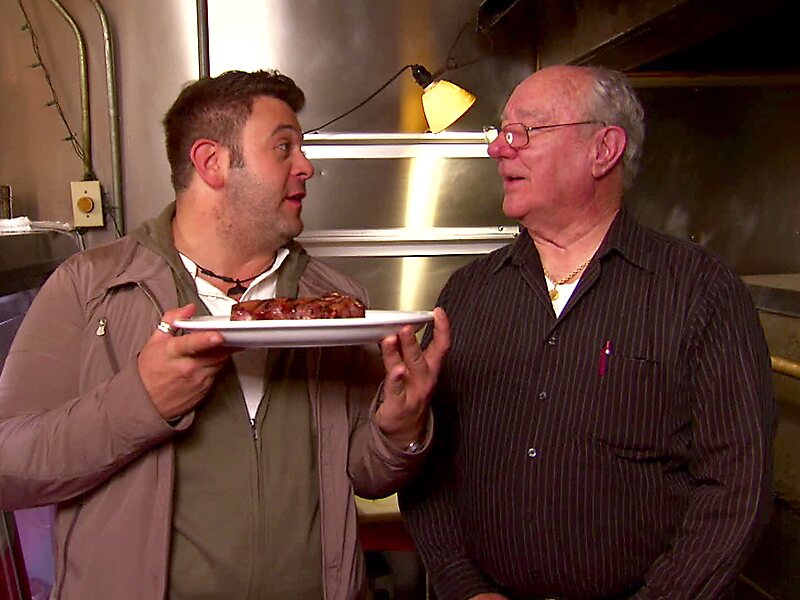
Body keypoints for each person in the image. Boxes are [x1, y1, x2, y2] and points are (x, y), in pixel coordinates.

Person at [0, 69, 449, 600]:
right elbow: (9, 467)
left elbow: (366, 475)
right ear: (211, 162)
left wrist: (400, 429)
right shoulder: (91, 287)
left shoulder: (338, 303)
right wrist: (139, 402)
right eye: (283, 147)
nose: (306, 166)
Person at [399, 65, 775, 600]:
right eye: (501, 132)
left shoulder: (699, 291)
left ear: (603, 150)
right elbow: (428, 460)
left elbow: (736, 485)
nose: (498, 149)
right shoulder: (467, 293)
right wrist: (464, 586)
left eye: (524, 131)